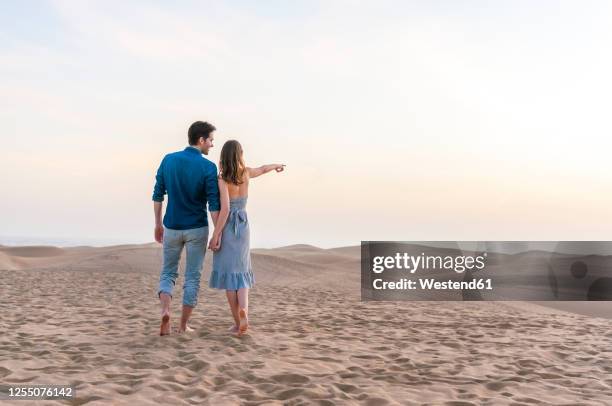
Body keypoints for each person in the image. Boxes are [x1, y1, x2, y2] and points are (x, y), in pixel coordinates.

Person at [208, 140, 285, 336]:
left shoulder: (223, 179)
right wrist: (276, 165)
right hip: (243, 226)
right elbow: (263, 168)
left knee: (228, 276)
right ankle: (245, 312)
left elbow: (225, 210)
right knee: (241, 274)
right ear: (240, 154)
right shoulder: (246, 173)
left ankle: (237, 322)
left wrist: (216, 234)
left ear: (223, 157)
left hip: (228, 228)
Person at [152, 121, 221, 336]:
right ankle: (182, 326)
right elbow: (214, 205)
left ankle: (165, 311)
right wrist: (217, 232)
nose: (211, 145)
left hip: (171, 226)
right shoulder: (208, 167)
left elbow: (157, 194)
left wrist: (157, 223)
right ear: (201, 140)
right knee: (192, 277)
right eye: (210, 140)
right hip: (197, 228)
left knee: (168, 273)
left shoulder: (169, 160)